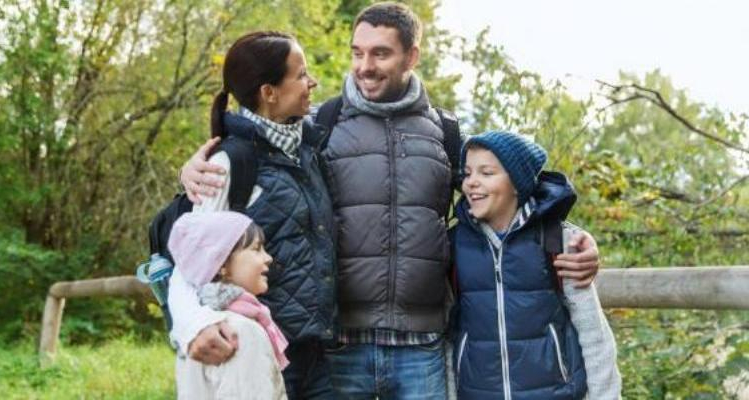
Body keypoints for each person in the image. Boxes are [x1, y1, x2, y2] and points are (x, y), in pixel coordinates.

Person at [179, 3, 602, 399]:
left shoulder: (446, 133)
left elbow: (503, 194)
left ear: (411, 56)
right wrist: (192, 174)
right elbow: (241, 165)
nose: (365, 66)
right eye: (357, 53)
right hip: (338, 348)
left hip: (423, 349)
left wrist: (571, 236)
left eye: (380, 54)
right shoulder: (316, 127)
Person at [166, 31, 336, 399]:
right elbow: (190, 267)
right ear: (269, 92)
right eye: (301, 75)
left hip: (319, 356)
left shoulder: (308, 147)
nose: (312, 83)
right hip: (265, 351)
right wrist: (192, 325)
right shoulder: (230, 163)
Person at [453, 131, 621, 399]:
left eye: (486, 173)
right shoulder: (456, 245)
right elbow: (448, 338)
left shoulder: (557, 241)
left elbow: (593, 334)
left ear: (517, 184)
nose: (471, 182)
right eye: (468, 173)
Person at [169, 211, 287, 399]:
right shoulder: (239, 331)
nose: (268, 258)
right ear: (221, 263)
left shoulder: (195, 331)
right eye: (256, 249)